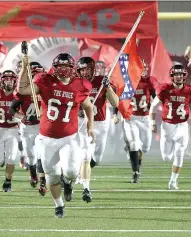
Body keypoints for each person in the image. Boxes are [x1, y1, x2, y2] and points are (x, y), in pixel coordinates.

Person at [17, 53, 95, 218]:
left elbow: (88, 106)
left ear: (72, 68)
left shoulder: (80, 85)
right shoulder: (45, 81)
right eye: (60, 66)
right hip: (47, 139)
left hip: (69, 138)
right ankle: (59, 205)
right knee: (52, 178)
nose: (63, 69)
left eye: (66, 66)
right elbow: (22, 90)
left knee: (72, 172)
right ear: (55, 67)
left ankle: (68, 182)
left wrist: (91, 127)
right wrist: (24, 68)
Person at [75, 57, 119, 202]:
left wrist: (108, 88)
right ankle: (86, 188)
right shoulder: (75, 82)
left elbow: (115, 102)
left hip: (101, 123)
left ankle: (82, 172)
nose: (85, 72)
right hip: (83, 123)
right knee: (85, 155)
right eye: (82, 69)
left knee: (97, 158)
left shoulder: (101, 81)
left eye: (87, 69)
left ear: (93, 69)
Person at [150, 64, 191, 190]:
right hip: (167, 126)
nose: (179, 77)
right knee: (166, 157)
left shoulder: (190, 90)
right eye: (176, 74)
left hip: (182, 126)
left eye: (181, 75)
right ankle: (169, 153)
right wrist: (152, 123)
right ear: (172, 76)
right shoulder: (164, 89)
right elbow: (153, 107)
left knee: (179, 153)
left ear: (184, 76)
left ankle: (173, 181)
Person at [9, 62, 44, 192]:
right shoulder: (23, 92)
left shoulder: (46, 90)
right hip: (27, 127)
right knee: (30, 156)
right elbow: (12, 109)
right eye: (34, 74)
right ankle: (33, 175)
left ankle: (43, 182)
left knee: (42, 154)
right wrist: (22, 117)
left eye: (38, 74)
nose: (36, 77)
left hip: (42, 127)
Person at [123, 60, 157, 183]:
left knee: (146, 147)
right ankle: (135, 172)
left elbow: (156, 98)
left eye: (144, 68)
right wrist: (116, 113)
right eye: (140, 68)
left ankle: (136, 159)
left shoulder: (149, 82)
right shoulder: (128, 83)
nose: (143, 71)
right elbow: (119, 99)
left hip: (145, 118)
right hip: (131, 118)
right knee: (134, 144)